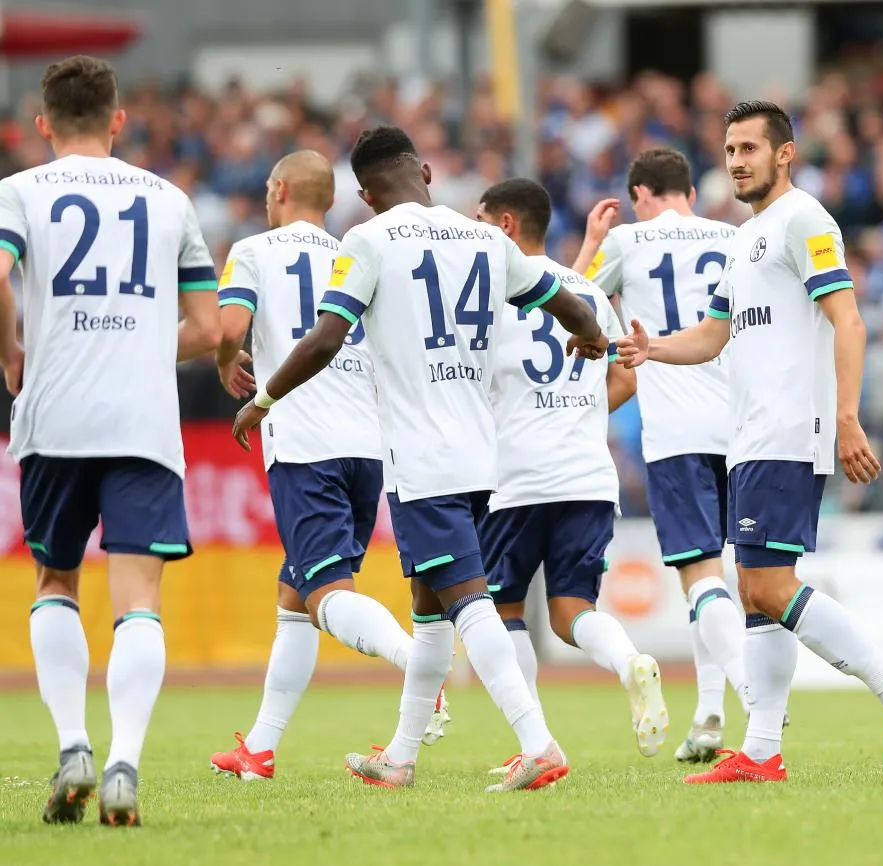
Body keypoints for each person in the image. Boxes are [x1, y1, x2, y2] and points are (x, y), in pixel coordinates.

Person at [231, 126, 609, 792]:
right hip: (479, 453)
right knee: (430, 606)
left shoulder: (368, 241)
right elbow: (561, 299)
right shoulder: (487, 239)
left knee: (469, 602)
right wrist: (593, 336)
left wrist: (263, 399)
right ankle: (401, 757)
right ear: (426, 172)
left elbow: (325, 338)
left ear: (366, 193)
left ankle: (538, 741)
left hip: (420, 456)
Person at [616, 101, 883, 784]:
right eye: (729, 150)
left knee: (767, 585)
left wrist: (848, 416)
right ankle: (762, 751)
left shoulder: (806, 221)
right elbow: (712, 336)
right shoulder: (744, 238)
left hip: (792, 430)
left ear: (785, 154)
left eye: (749, 149)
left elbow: (848, 322)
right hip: (750, 437)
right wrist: (652, 349)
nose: (736, 161)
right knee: (754, 591)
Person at [0, 56, 221, 825]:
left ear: (42, 125)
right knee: (139, 601)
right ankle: (125, 761)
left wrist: (11, 355)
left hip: (55, 416)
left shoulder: (20, 193)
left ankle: (74, 747)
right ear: (119, 119)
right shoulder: (168, 200)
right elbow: (206, 328)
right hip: (143, 422)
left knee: (56, 583)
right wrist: (136, 348)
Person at [209, 151, 449, 781]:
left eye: (266, 187)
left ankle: (418, 664)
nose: (264, 196)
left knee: (325, 592)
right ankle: (258, 749)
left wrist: (224, 361)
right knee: (295, 597)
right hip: (367, 444)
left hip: (306, 442)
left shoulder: (254, 250)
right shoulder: (358, 246)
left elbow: (230, 325)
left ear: (280, 189)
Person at [474, 178, 669, 762]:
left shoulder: (485, 298)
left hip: (516, 478)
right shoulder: (585, 289)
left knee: (503, 611)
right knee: (571, 610)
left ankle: (533, 739)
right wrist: (576, 411)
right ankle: (629, 661)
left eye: (481, 219)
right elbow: (626, 378)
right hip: (587, 475)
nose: (473, 230)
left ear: (506, 225)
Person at [572, 148, 748, 762]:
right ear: (690, 195)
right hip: (743, 428)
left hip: (676, 429)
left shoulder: (628, 239)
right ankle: (708, 716)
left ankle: (760, 702)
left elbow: (569, 305)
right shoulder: (733, 236)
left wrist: (593, 242)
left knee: (700, 577)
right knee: (724, 582)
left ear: (640, 194)